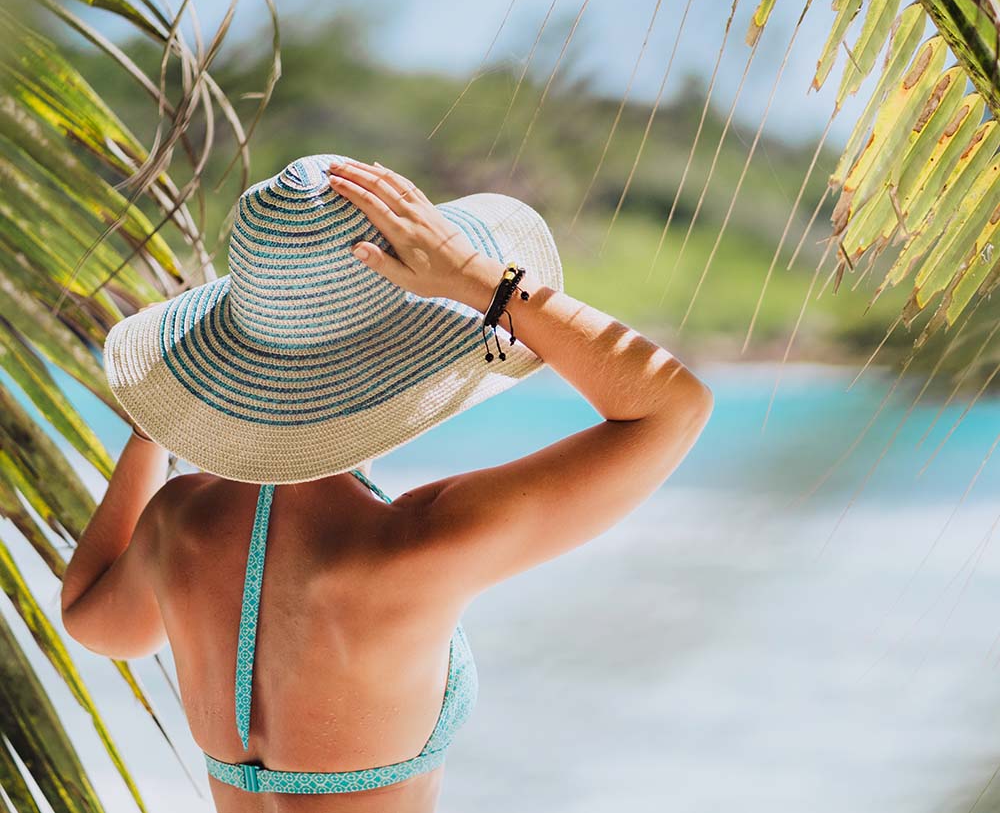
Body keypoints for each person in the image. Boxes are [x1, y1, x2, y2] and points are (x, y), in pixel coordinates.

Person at [61, 153, 713, 811]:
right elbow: (673, 409)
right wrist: (477, 281)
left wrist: (155, 426)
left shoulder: (182, 520)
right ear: (404, 354)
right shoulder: (417, 543)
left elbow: (95, 620)